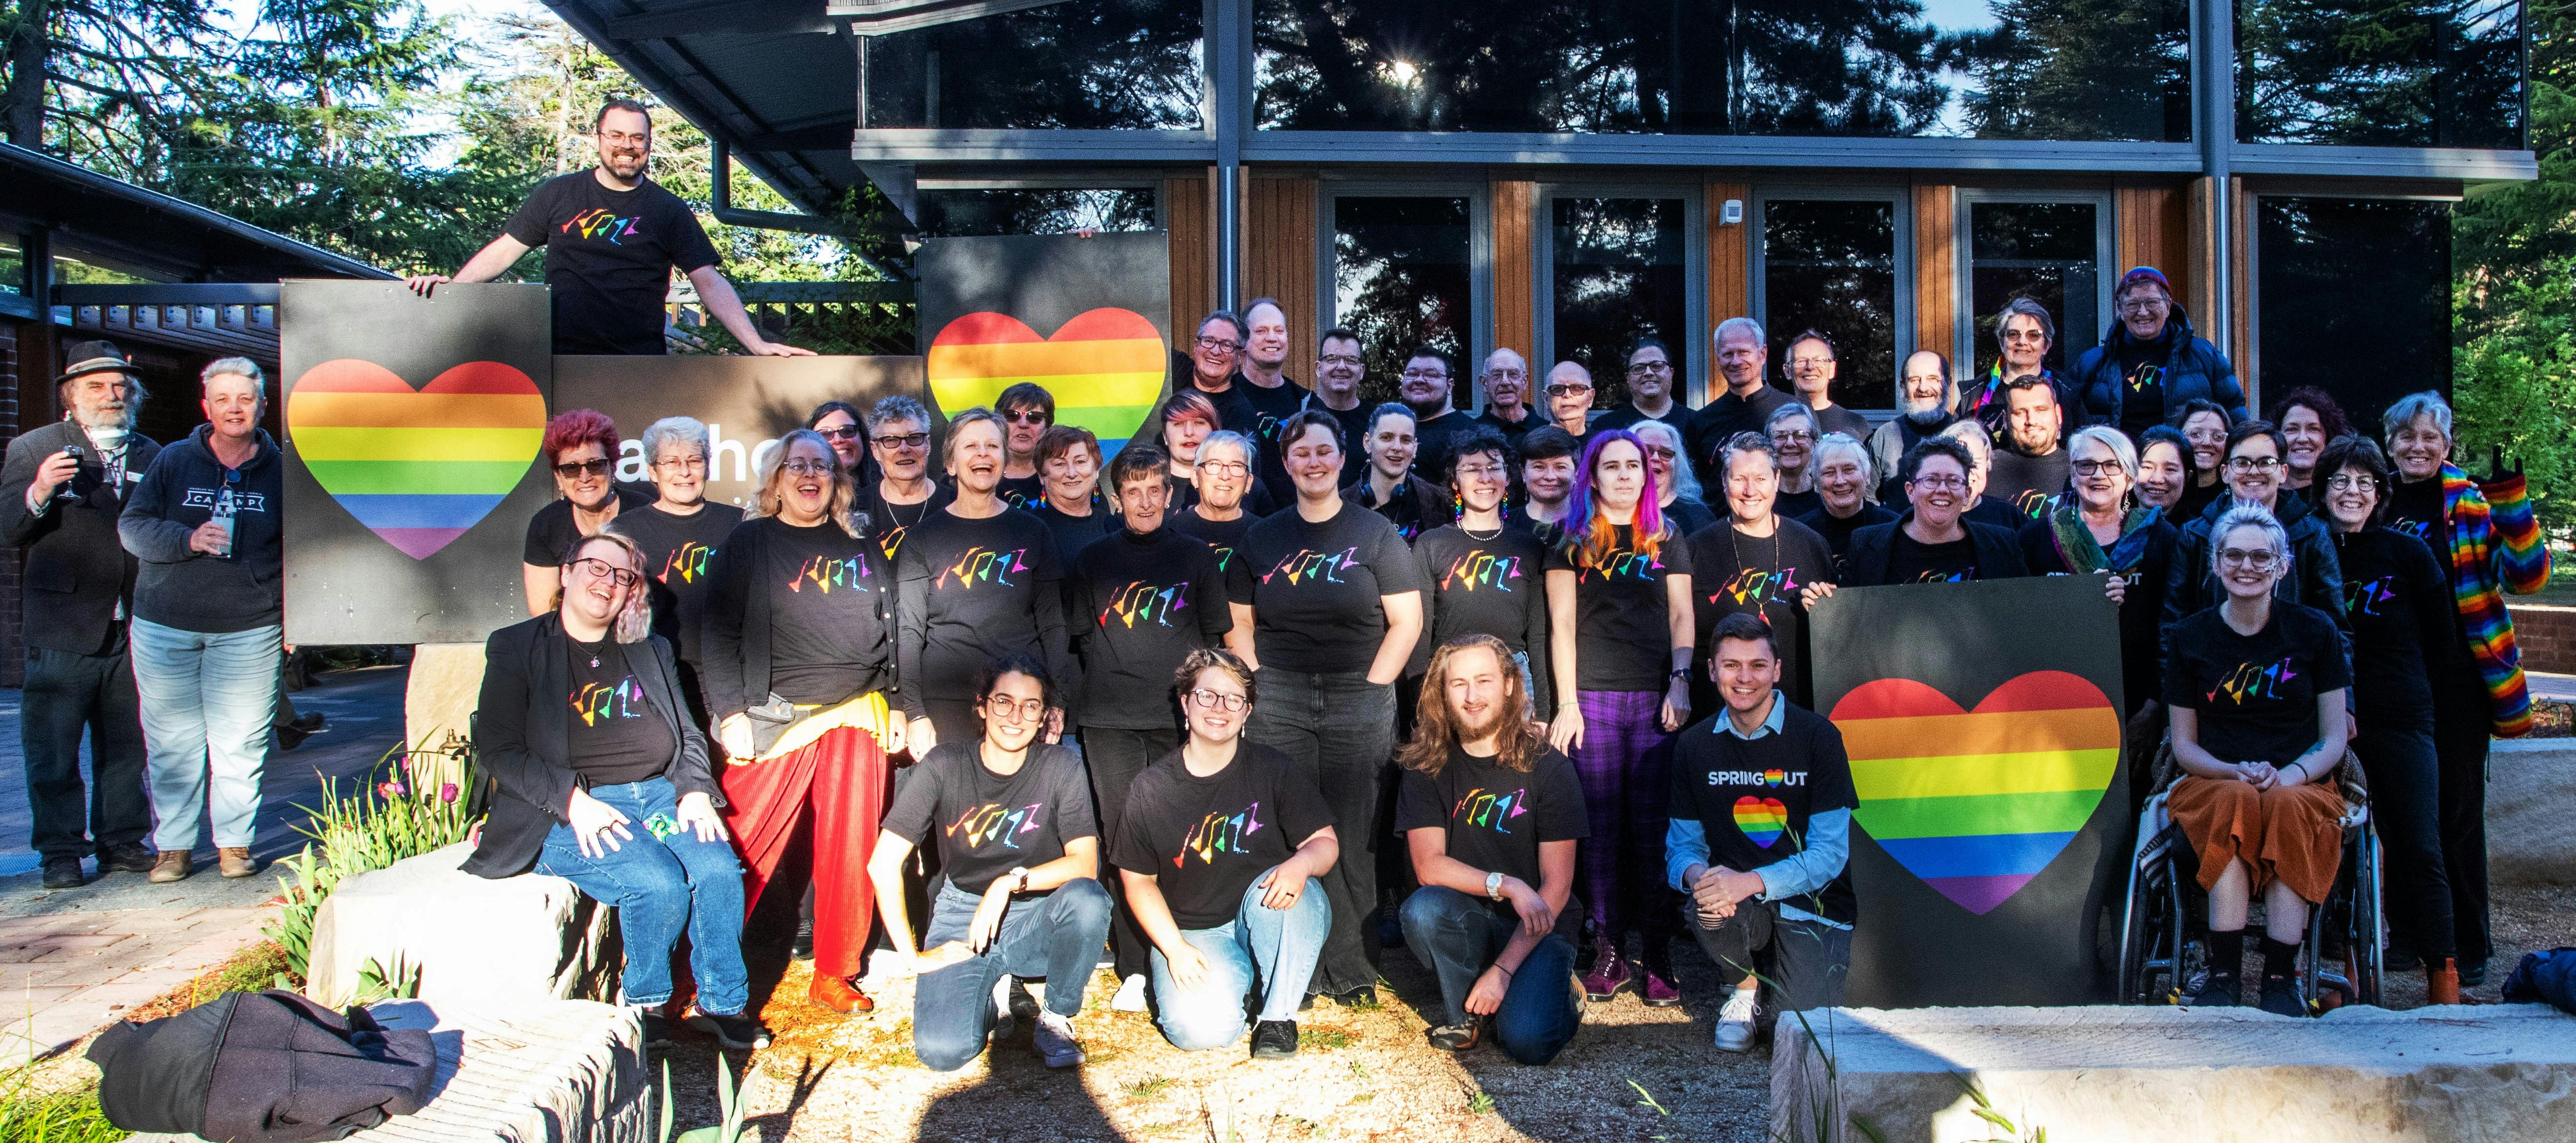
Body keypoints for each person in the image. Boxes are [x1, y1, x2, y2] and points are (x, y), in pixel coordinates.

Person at [463, 531, 763, 1048]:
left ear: (632, 592)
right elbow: (499, 748)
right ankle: (644, 1008)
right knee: (657, 882)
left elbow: (689, 733)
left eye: (622, 576)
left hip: (660, 797)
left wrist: (694, 788)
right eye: (596, 569)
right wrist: (572, 802)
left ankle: (722, 1005)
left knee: (718, 870)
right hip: (572, 808)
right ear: (567, 573)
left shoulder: (649, 650)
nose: (608, 583)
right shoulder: (517, 646)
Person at [1225, 410, 1427, 1004]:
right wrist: (1261, 682)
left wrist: (1372, 687)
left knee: (1355, 833)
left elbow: (1407, 621)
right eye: (1300, 454)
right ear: (1285, 465)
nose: (1313, 462)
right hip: (1279, 696)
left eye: (1323, 452)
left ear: (1343, 459)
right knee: (1289, 831)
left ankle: (1353, 969)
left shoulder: (1375, 535)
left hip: (1357, 695)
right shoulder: (1263, 537)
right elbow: (1238, 624)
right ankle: (1298, 970)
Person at [701, 429, 901, 1014]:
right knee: (742, 843)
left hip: (857, 710)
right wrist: (731, 711)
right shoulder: (751, 541)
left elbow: (893, 629)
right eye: (797, 465)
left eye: (822, 466)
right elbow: (719, 631)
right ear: (776, 480)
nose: (809, 475)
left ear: (837, 482)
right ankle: (698, 975)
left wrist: (901, 702)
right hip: (775, 713)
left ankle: (835, 974)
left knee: (852, 844)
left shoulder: (860, 546)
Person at [404, 99, 807, 359]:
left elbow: (708, 280)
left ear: (649, 145)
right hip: (560, 359)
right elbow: (505, 250)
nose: (626, 145)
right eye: (616, 135)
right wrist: (454, 290)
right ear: (599, 140)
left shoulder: (667, 210)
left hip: (637, 363)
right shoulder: (558, 194)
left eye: (637, 138)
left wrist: (756, 343)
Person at [867, 656, 1112, 1071]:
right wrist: (912, 957)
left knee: (1089, 899)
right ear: (982, 707)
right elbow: (883, 864)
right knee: (943, 1053)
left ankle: (1054, 1017)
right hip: (963, 909)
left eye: (1030, 706)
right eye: (1003, 702)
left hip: (1037, 911)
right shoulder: (945, 764)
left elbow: (1085, 863)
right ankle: (988, 988)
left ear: (1043, 716)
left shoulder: (1060, 766)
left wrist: (1008, 883)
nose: (1015, 716)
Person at [2383, 390, 2550, 985]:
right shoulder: (2375, 497)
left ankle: (2466, 940)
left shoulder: (2474, 504)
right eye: (2407, 437)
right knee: (2398, 811)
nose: (2418, 447)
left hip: (2457, 678)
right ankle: (2406, 935)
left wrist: (2514, 504)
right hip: (2393, 678)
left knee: (2455, 813)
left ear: (2447, 444)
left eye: (2430, 437)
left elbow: (2526, 578)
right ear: (2391, 443)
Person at [2163, 506, 2351, 1016]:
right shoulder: (2189, 638)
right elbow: (2185, 747)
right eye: (2235, 555)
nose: (2247, 566)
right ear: (2217, 563)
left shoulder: (2316, 633)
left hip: (2302, 779)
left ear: (2282, 566)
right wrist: (2232, 771)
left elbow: (2334, 737)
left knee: (2288, 806)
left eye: (2261, 557)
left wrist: (2290, 775)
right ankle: (2223, 975)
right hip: (2214, 779)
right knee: (2237, 800)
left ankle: (2279, 978)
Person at [1111, 649, 1340, 1058]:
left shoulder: (1273, 768)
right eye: (1207, 696)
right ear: (1185, 702)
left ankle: (1277, 1017)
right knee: (1199, 1032)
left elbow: (1325, 842)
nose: (1219, 708)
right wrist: (1174, 949)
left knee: (1294, 895)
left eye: (1233, 699)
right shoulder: (1151, 788)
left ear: (1247, 711)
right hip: (1195, 932)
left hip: (1267, 911)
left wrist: (1301, 864)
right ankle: (1252, 980)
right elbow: (1137, 880)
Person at [1071, 444, 1233, 1010]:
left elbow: (1215, 643)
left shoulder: (1195, 557)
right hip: (1109, 720)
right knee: (1124, 839)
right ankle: (1136, 964)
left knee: (1184, 835)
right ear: (1117, 499)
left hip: (1176, 720)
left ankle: (1189, 945)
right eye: (1132, 491)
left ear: (1171, 495)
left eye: (1155, 490)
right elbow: (1079, 641)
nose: (1145, 501)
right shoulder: (1093, 560)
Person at [1542, 429, 1695, 1006]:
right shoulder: (1568, 539)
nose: (1627, 475)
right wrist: (1567, 703)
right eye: (1613, 466)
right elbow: (1561, 627)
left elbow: (1682, 617)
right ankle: (1609, 949)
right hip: (1594, 700)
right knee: (1602, 831)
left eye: (1635, 465)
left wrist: (1682, 680)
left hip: (1658, 701)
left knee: (1655, 832)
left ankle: (1656, 952)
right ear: (1594, 475)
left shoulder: (1668, 536)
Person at [0, 340, 160, 888]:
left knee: (126, 744)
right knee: (53, 748)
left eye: (120, 387)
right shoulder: (34, 447)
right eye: (96, 386)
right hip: (63, 627)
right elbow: (9, 529)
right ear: (71, 396)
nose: (112, 395)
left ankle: (122, 843)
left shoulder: (152, 453)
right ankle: (61, 853)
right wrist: (42, 487)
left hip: (135, 624)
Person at [118, 358, 284, 883]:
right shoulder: (172, 461)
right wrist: (186, 540)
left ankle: (235, 844)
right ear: (205, 407)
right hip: (165, 622)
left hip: (250, 626)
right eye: (222, 399)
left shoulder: (286, 471)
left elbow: (306, 551)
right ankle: (174, 847)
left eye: (245, 399)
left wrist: (291, 616)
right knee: (172, 740)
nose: (234, 408)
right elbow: (133, 526)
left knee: (242, 741)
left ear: (262, 405)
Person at [2314, 433, 2462, 1003]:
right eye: (2340, 481)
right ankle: (2341, 974)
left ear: (2381, 492)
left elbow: (2443, 646)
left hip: (2403, 717)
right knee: (2331, 848)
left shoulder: (2409, 555)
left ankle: (2442, 972)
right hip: (2328, 723)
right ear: (2323, 489)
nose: (2352, 492)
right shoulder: (2307, 552)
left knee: (2420, 846)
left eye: (2364, 482)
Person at [1667, 613, 1858, 1051]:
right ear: (1712, 671)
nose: (1744, 678)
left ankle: (1777, 988)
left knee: (1799, 1038)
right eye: (1731, 665)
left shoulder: (1818, 737)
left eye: (1757, 665)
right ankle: (1743, 988)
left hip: (1813, 905)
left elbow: (1830, 854)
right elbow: (1682, 847)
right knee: (1706, 906)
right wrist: (1703, 881)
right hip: (1739, 907)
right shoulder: (1694, 746)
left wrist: (1746, 882)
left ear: (1777, 670)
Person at [1395, 635, 1586, 1061]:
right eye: (1458, 683)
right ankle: (1466, 1011)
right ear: (1442, 693)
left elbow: (1556, 887)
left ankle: (1560, 994)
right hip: (1467, 920)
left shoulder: (1549, 767)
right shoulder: (1427, 764)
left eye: (1483, 681)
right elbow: (1429, 867)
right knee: (1422, 908)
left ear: (1509, 685)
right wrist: (1508, 884)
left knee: (1529, 1042)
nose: (1471, 696)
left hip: (1539, 926)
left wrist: (1503, 970)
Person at [898, 409, 1072, 754]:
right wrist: (915, 712)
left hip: (1019, 702)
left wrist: (1058, 700)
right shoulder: (921, 540)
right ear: (950, 464)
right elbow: (909, 631)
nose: (983, 454)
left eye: (993, 446)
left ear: (1005, 460)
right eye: (971, 446)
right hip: (945, 700)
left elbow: (1053, 625)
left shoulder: (1034, 532)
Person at [2017, 428, 2175, 724]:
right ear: (2073, 475)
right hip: (2057, 699)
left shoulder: (2161, 538)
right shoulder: (2036, 537)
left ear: (2129, 477)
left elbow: (2173, 623)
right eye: (2086, 465)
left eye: (2112, 465)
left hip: (2141, 700)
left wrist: (2155, 706)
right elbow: (2020, 621)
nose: (2098, 475)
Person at [2162, 421, 2344, 662]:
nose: (2253, 471)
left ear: (2283, 472)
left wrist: (2341, 698)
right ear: (2225, 473)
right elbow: (2172, 626)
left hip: (2290, 680)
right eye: (2242, 462)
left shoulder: (2313, 535)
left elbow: (2336, 628)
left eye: (2266, 462)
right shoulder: (2195, 536)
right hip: (2210, 679)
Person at [607, 417, 743, 728]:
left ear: (708, 466)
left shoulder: (743, 524)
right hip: (658, 687)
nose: (684, 472)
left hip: (733, 687)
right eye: (671, 462)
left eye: (694, 460)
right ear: (653, 471)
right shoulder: (623, 534)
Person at [1689, 434, 1835, 708]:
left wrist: (1826, 606)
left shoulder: (1811, 544)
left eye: (1760, 479)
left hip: (1797, 708)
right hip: (1717, 712)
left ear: (1777, 481)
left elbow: (1836, 633)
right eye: (1739, 479)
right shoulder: (1698, 548)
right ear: (1724, 482)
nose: (1750, 490)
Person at [1413, 428, 1553, 712]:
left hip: (1514, 679)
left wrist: (1544, 712)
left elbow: (1538, 636)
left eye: (1494, 468)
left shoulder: (1529, 547)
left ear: (1508, 480)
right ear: (1455, 481)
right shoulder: (1432, 544)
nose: (1485, 478)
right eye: (1472, 469)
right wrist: (1418, 704)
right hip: (1450, 678)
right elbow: (1420, 632)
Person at [2071, 266, 2247, 435]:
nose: (2142, 312)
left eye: (2152, 302)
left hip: (2184, 462)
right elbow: (2073, 421)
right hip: (2117, 462)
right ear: (2121, 309)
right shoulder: (2091, 363)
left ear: (2168, 306)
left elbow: (2235, 411)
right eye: (2132, 304)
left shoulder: (2204, 355)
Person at [1837, 439, 2029, 586]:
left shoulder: (2004, 546)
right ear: (1910, 491)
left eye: (1954, 481)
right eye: (1931, 480)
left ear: (1967, 493)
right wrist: (1822, 601)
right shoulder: (1865, 546)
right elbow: (1849, 618)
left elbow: (2024, 614)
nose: (1942, 490)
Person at [522, 409, 649, 617]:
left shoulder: (646, 513)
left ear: (612, 466)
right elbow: (544, 614)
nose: (585, 477)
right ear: (559, 477)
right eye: (571, 469)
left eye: (595, 465)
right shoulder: (546, 525)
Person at [1131, 311, 1260, 450]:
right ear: (1196, 345)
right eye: (1209, 341)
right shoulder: (1172, 367)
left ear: (1241, 357)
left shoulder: (1241, 415)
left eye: (1227, 345)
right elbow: (1134, 341)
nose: (1216, 351)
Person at [859, 395, 953, 563]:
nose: (904, 449)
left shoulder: (956, 504)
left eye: (914, 438)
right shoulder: (856, 509)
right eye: (891, 440)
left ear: (928, 445)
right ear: (875, 450)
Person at [1238, 298, 1313, 506]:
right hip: (1240, 521)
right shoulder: (1227, 395)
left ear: (1287, 338)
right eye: (1261, 331)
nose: (1272, 338)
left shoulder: (1307, 403)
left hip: (1293, 524)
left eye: (1279, 330)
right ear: (1244, 340)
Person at [1963, 298, 2076, 436]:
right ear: (2001, 343)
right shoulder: (1974, 394)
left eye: (2033, 335)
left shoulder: (2068, 395)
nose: (2022, 342)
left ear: (2046, 346)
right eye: (2013, 334)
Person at [1687, 319, 1793, 466]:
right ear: (1718, 360)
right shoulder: (1702, 422)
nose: (1736, 362)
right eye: (1728, 354)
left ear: (1763, 354)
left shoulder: (1794, 411)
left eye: (1744, 352)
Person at [1345, 402, 1450, 542]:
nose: (1397, 447)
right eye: (1387, 437)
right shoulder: (1342, 505)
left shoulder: (1441, 502)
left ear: (1415, 448)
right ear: (1367, 442)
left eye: (1406, 440)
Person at [1795, 432, 1896, 577]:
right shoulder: (1800, 534)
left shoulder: (1892, 529)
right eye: (1829, 472)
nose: (1840, 481)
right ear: (1816, 483)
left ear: (1867, 476)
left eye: (1849, 470)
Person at [1866, 350, 1958, 501]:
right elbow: (1870, 501)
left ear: (1948, 382)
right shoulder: (1885, 436)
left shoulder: (1962, 434)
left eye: (1933, 379)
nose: (1923, 388)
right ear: (1903, 385)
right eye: (1915, 380)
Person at [1172, 431, 1265, 580]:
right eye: (1214, 464)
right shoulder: (1172, 535)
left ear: (1248, 482)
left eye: (1236, 466)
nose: (1225, 476)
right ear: (1196, 477)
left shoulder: (1263, 536)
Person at [1985, 374, 2072, 520]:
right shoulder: (1985, 470)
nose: (2031, 420)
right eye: (2020, 413)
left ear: (2058, 414)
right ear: (2006, 420)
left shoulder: (2082, 469)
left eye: (2041, 410)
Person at [1025, 425, 1115, 558]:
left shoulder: (1115, 526)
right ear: (1041, 476)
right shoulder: (1028, 530)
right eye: (1060, 464)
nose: (1071, 473)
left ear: (1096, 470)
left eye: (1080, 461)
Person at [1399, 347, 1481, 484]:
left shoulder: (1469, 433)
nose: (1419, 380)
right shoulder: (1394, 428)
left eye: (1431, 375)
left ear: (1449, 386)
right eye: (1412, 374)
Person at [1936, 419, 2031, 534]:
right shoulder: (1926, 517)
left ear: (1988, 464)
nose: (1967, 473)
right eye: (1959, 463)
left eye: (1975, 463)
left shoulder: (2010, 518)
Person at [1306, 328, 1376, 472]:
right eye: (1332, 359)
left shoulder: (1376, 422)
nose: (1342, 367)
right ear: (1319, 368)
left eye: (1351, 360)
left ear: (1362, 371)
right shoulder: (1302, 414)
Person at [1780, 331, 1871, 441]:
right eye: (1801, 361)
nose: (1810, 367)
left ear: (1832, 369)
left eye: (1819, 360)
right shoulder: (1775, 422)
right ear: (1787, 371)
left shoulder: (1856, 424)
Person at [1594, 338, 1693, 437]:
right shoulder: (1606, 427)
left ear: (1671, 373)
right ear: (1628, 378)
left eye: (1657, 366)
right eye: (1639, 368)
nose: (1648, 373)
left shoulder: (1695, 423)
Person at [1634, 420, 1717, 539]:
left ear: (1677, 463)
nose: (1656, 458)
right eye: (1646, 450)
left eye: (1666, 453)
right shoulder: (1612, 512)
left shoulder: (1699, 517)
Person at [2266, 386, 2349, 503]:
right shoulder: (2264, 497)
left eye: (2313, 429)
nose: (2302, 439)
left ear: (2329, 437)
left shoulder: (2342, 499)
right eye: (2292, 429)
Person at [2171, 398, 2234, 524]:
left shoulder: (2235, 494)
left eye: (2217, 436)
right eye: (2195, 434)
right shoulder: (2166, 486)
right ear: (2178, 437)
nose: (2207, 443)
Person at [992, 382, 1055, 508]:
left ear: (1048, 427)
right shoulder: (973, 475)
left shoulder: (1065, 476)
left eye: (1034, 417)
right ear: (997, 423)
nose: (1023, 424)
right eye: (1012, 416)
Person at [1765, 402, 1827, 521]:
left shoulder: (1828, 498)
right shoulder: (1758, 499)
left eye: (1800, 435)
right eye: (1780, 436)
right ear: (1768, 446)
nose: (1790, 443)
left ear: (1815, 445)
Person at [1517, 426, 1582, 536]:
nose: (1550, 477)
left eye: (1561, 467)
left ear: (1576, 474)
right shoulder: (1502, 525)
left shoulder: (1594, 529)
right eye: (1539, 467)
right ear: (1523, 473)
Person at [1476, 348, 1539, 442]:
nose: (1505, 382)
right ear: (1484, 383)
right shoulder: (1472, 434)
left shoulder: (1546, 431)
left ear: (1525, 381)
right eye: (1497, 375)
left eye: (1513, 374)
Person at [2135, 425, 2196, 514]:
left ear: (2187, 476)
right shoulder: (2114, 524)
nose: (2157, 480)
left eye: (2170, 469)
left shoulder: (2195, 528)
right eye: (2147, 467)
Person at [806, 401, 870, 482]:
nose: (838, 440)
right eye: (826, 434)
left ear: (862, 436)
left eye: (847, 431)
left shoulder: (885, 489)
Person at [1542, 361, 1598, 444]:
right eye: (1558, 389)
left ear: (1590, 398)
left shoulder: (1603, 447)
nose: (1567, 395)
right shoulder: (1527, 445)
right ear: (1546, 399)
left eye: (1577, 388)